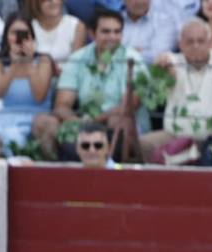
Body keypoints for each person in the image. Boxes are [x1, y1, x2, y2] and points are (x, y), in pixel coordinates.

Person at [40, 8, 145, 160]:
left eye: (117, 32)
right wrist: (78, 122)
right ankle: (55, 175)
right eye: (106, 32)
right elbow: (62, 105)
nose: (112, 37)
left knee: (119, 121)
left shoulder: (132, 59)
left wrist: (93, 123)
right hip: (82, 125)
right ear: (92, 34)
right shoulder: (78, 58)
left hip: (113, 125)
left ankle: (119, 174)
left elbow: (127, 107)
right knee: (43, 122)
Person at [141, 18, 212, 162]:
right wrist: (162, 69)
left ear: (210, 42)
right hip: (174, 135)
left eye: (201, 41)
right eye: (190, 41)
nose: (195, 45)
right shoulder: (171, 61)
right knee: (144, 144)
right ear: (180, 44)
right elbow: (162, 81)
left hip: (211, 136)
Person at [0, 13, 54, 149]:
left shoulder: (43, 60)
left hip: (38, 120)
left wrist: (28, 62)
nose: (18, 38)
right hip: (7, 120)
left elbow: (39, 96)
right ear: (6, 36)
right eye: (14, 33)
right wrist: (14, 65)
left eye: (24, 33)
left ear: (31, 37)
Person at [28, 0, 86, 65]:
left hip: (66, 74)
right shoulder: (28, 26)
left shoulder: (77, 26)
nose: (53, 1)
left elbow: (76, 66)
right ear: (35, 3)